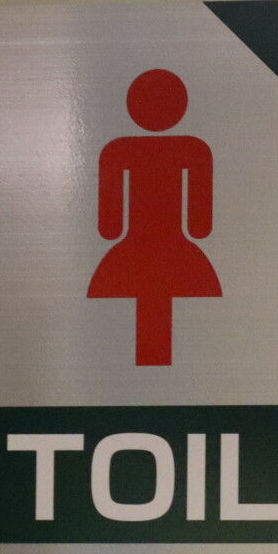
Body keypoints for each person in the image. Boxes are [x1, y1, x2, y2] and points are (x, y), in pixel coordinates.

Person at [87, 69, 220, 366]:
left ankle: (152, 367)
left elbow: (108, 227)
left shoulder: (118, 150)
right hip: (176, 250)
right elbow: (201, 226)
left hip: (133, 251)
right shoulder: (194, 149)